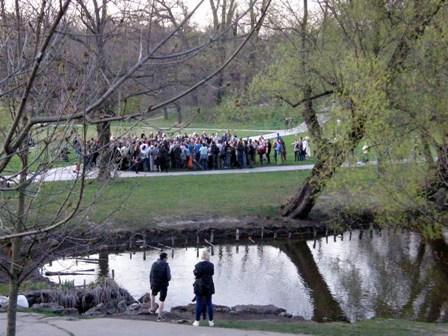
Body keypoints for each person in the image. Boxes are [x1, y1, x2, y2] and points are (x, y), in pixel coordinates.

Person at [192, 250, 215, 327]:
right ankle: (211, 321)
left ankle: (197, 321)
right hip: (209, 285)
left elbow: (196, 275)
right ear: (208, 256)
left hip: (199, 286)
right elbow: (212, 273)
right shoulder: (211, 265)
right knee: (209, 303)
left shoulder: (197, 265)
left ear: (201, 256)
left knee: (199, 303)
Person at [149, 252, 171, 321]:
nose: (167, 259)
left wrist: (151, 283)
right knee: (162, 300)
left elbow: (150, 275)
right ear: (164, 258)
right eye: (167, 258)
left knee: (153, 294)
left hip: (154, 283)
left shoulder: (154, 264)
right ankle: (159, 317)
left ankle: (152, 309)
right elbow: (169, 277)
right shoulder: (166, 265)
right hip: (163, 285)